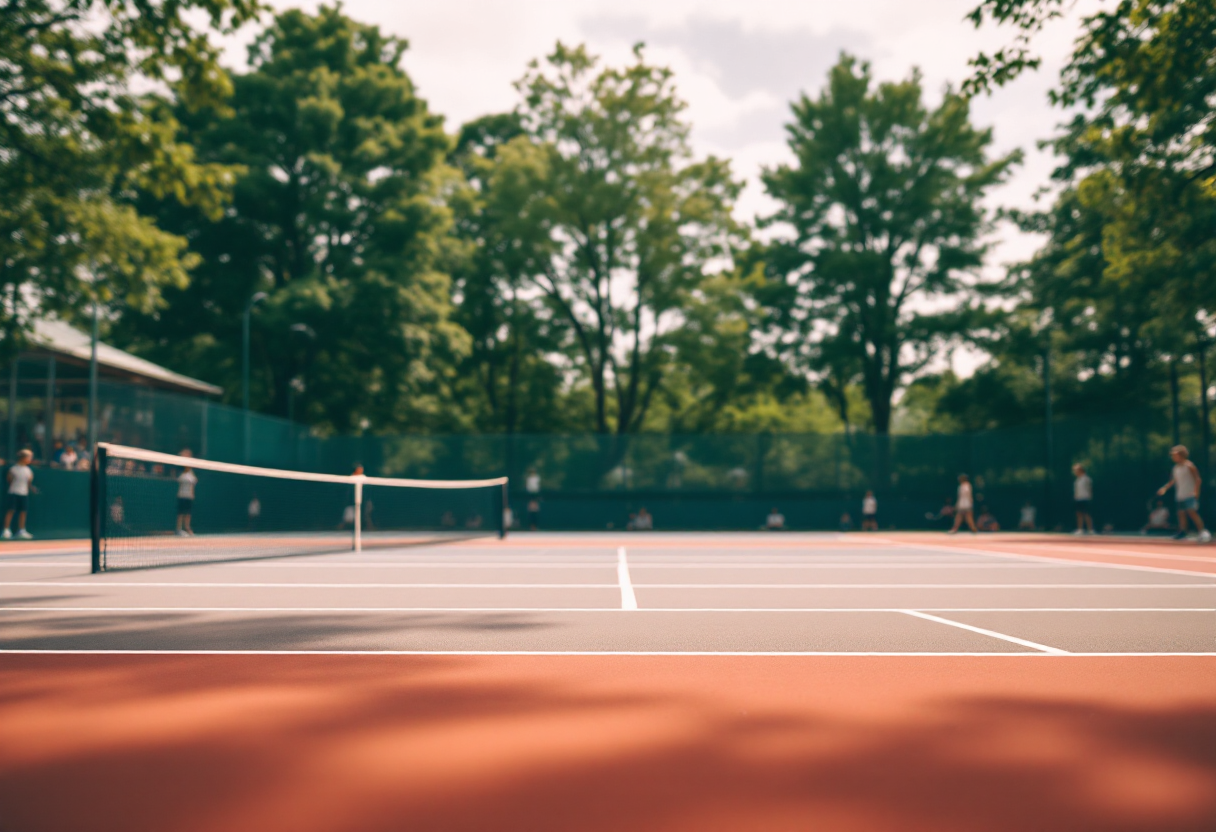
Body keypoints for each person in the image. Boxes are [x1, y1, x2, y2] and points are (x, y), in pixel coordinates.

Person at [1157, 445, 1209, 542]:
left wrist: (1195, 492)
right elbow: (1173, 481)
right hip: (1180, 495)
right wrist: (1165, 488)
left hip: (1190, 494)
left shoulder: (1190, 466)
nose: (1173, 457)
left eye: (1175, 455)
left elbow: (1198, 479)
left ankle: (1203, 532)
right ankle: (1183, 532)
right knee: (1181, 513)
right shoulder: (1176, 468)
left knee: (1192, 512)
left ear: (1182, 455)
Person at [3, 449, 36, 539]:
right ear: (23, 458)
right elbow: (9, 480)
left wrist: (32, 489)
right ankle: (6, 530)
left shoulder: (28, 470)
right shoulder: (13, 469)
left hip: (24, 494)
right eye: (29, 457)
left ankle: (21, 530)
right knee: (11, 510)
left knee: (23, 512)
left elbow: (29, 483)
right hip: (13, 492)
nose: (30, 459)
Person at [175, 450, 196, 537]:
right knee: (181, 513)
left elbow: (193, 483)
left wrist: (192, 494)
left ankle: (187, 528)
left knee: (188, 513)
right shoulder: (181, 472)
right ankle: (178, 529)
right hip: (182, 495)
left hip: (189, 496)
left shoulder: (191, 473)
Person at [1073, 463, 1094, 535]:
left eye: (1076, 470)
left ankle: (1090, 530)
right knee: (1079, 514)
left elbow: (1090, 489)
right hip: (1078, 499)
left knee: (1087, 514)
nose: (1075, 472)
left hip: (1085, 499)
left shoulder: (1087, 479)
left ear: (1081, 470)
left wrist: (1089, 497)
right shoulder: (1077, 480)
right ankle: (1080, 529)